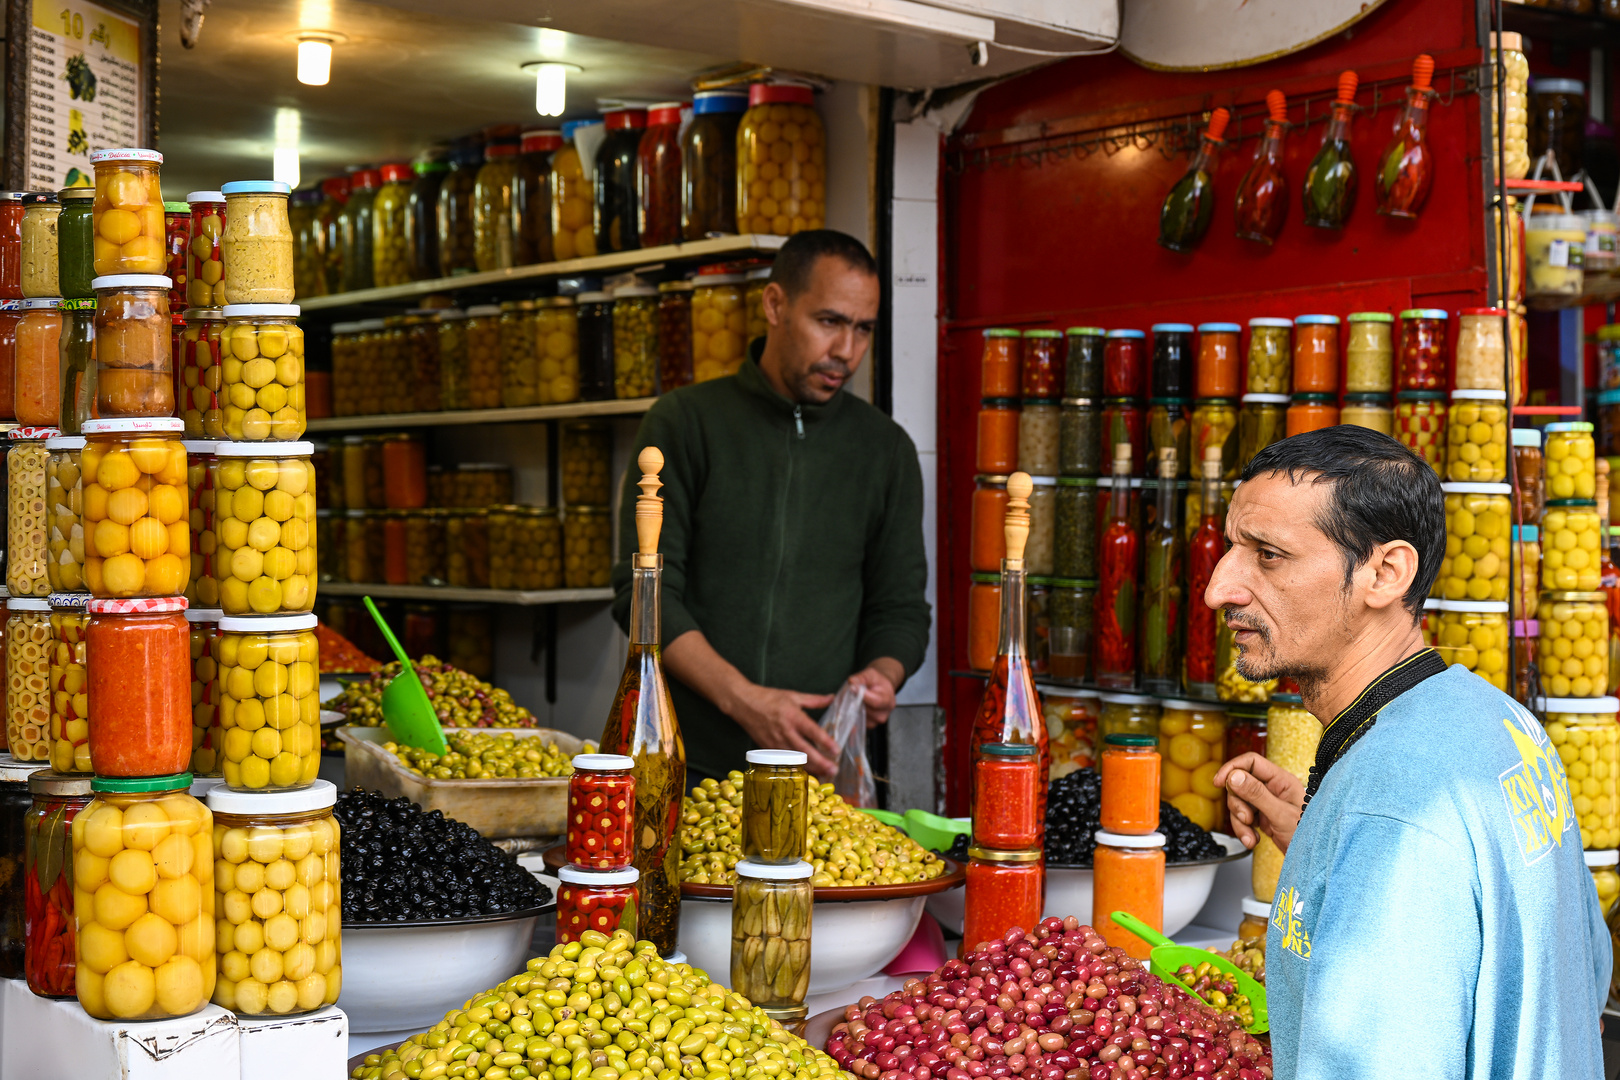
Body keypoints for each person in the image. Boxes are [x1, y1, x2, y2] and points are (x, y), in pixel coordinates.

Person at [1206, 425, 1607, 1079]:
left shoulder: (1393, 812)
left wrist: (1373, 841)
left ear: (1386, 573)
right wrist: (1328, 842)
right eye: (1232, 549)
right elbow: (1582, 966)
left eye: (1269, 554)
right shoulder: (1499, 720)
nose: (1220, 588)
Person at [610, 229, 930, 786]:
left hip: (814, 777)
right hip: (680, 764)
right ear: (775, 305)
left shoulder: (886, 451)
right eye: (829, 321)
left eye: (863, 329)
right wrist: (744, 700)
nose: (846, 351)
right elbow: (644, 595)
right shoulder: (684, 424)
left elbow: (900, 610)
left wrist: (884, 673)